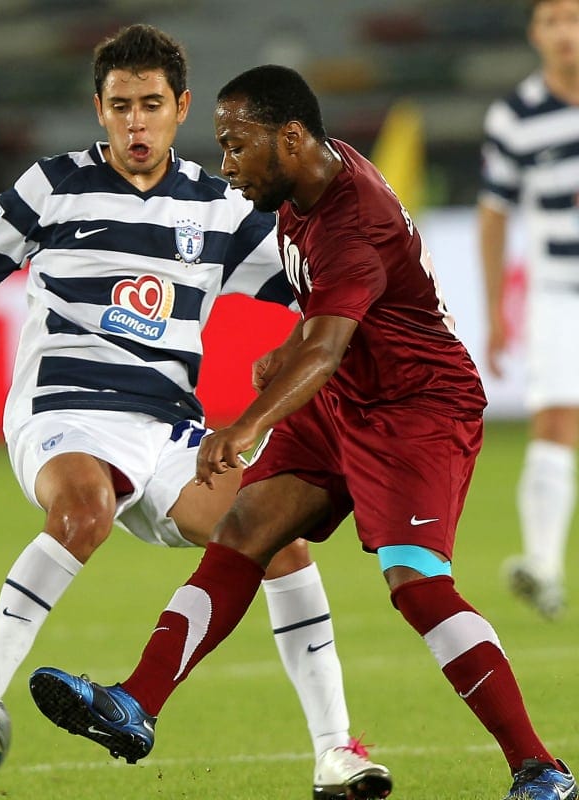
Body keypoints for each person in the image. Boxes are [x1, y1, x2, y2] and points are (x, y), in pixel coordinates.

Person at [0, 26, 390, 800]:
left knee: (279, 538)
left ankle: (335, 753)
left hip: (170, 429)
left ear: (182, 109)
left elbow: (325, 294)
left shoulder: (220, 206)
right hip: (61, 409)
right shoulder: (53, 185)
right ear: (98, 110)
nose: (138, 123)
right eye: (122, 106)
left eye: (153, 106)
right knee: (85, 508)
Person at [29, 65, 578, 800]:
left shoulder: (352, 219)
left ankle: (540, 768)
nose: (225, 165)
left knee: (415, 584)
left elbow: (323, 345)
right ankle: (136, 701)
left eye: (235, 146)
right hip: (348, 393)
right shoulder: (303, 185)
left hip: (417, 408)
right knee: (247, 524)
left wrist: (248, 425)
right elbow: (328, 332)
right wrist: (289, 354)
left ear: (289, 139)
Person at [479, 0, 579, 620]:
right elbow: (494, 218)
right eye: (553, 21)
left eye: (575, 18)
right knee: (555, 421)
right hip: (556, 294)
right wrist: (496, 311)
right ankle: (544, 566)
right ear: (535, 33)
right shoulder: (515, 116)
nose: (566, 32)